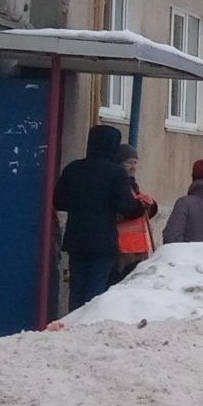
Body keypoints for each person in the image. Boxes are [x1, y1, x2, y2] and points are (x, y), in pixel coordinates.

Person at [57, 123, 151, 312]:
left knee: (77, 288)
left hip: (76, 239)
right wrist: (142, 206)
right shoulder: (115, 173)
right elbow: (127, 207)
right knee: (95, 290)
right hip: (103, 241)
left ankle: (71, 327)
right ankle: (88, 328)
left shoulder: (73, 168)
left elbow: (59, 202)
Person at [114, 146, 160, 280]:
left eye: (135, 162)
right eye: (129, 162)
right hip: (122, 251)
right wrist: (140, 205)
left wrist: (150, 205)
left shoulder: (133, 186)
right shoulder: (119, 187)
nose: (133, 167)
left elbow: (140, 214)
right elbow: (127, 211)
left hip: (138, 249)